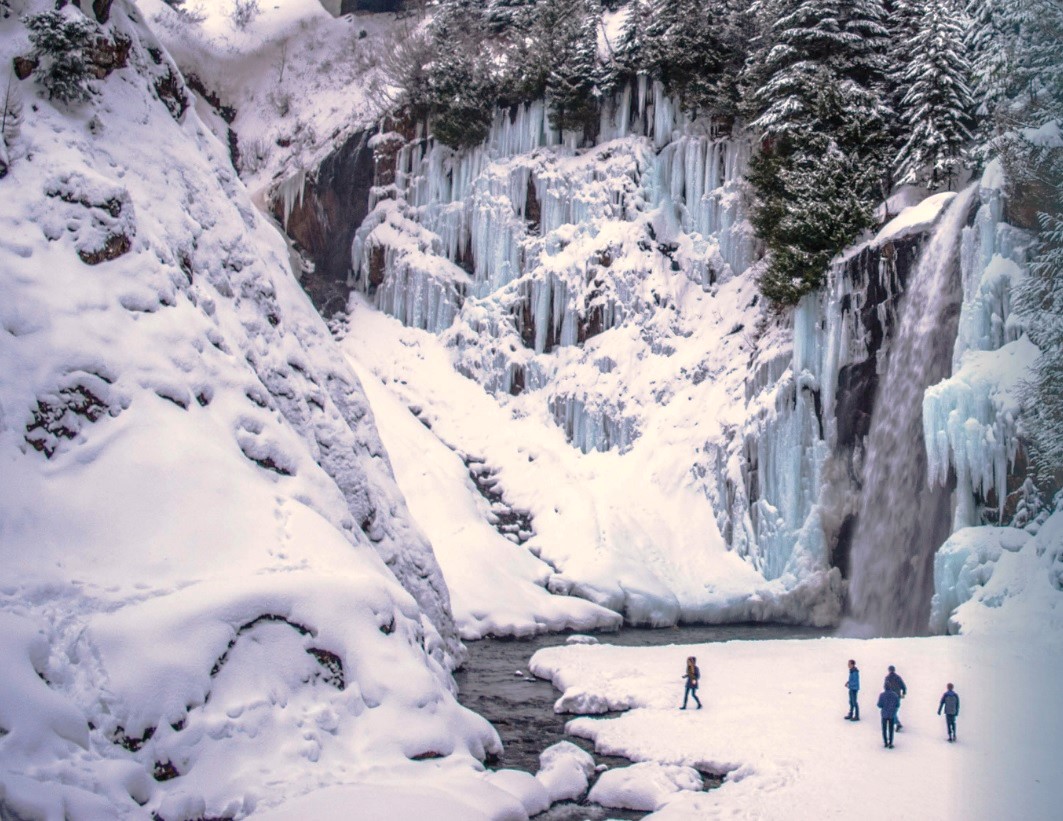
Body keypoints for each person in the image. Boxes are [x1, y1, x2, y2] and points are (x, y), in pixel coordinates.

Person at [884, 665, 908, 730]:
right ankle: (896, 722)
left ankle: (897, 723)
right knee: (894, 710)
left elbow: (885, 687)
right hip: (897, 696)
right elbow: (903, 686)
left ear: (889, 670)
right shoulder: (898, 677)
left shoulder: (887, 678)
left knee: (892, 711)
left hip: (890, 697)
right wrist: (903, 693)